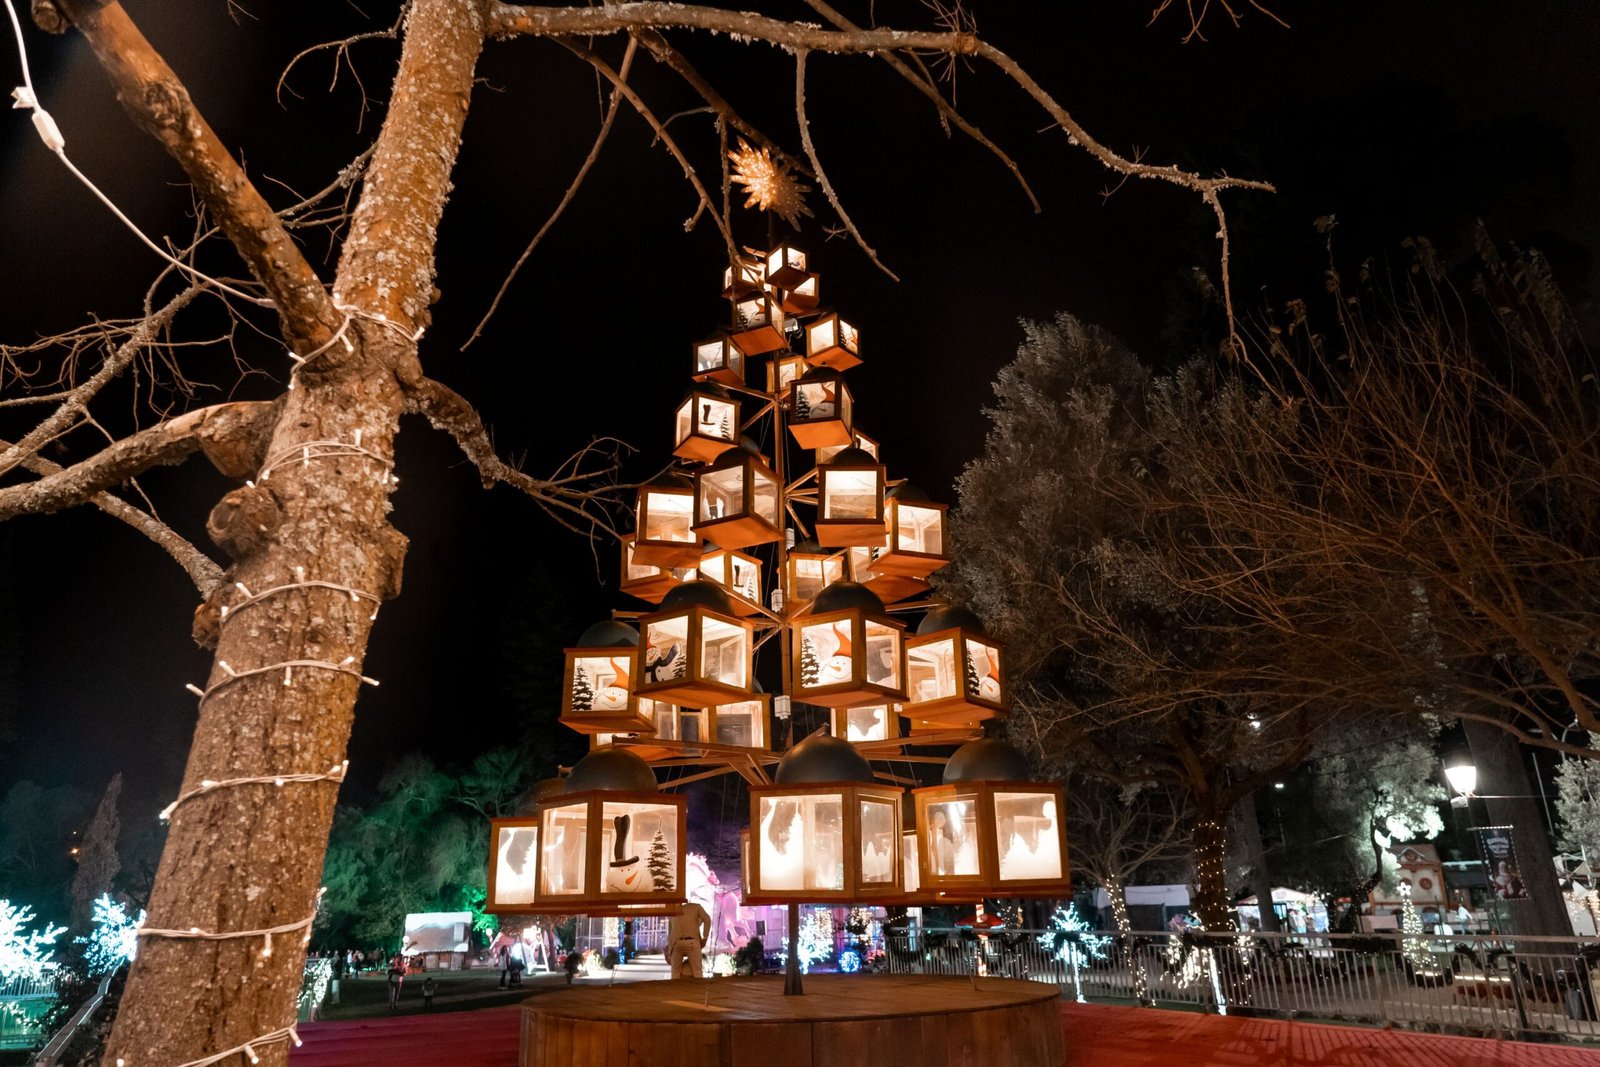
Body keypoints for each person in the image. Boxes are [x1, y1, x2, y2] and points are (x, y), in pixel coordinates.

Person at [667, 900, 711, 979]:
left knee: (675, 973)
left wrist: (670, 952)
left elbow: (670, 934)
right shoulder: (696, 907)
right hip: (692, 943)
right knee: (697, 972)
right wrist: (705, 938)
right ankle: (698, 990)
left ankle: (675, 990)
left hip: (676, 944)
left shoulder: (673, 912)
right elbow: (707, 919)